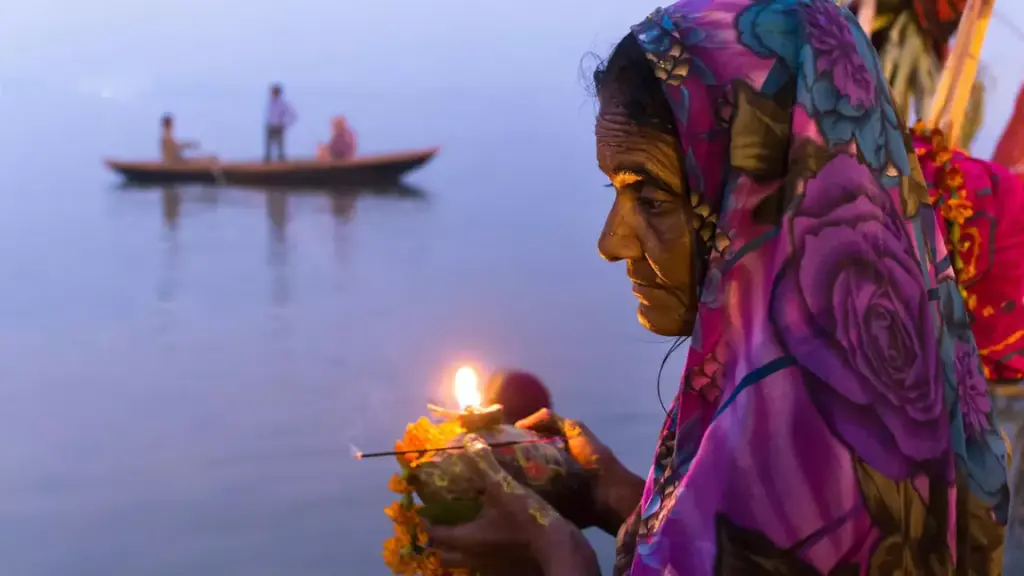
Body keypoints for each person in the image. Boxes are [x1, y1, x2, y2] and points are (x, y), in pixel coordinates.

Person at [424, 1, 1010, 574]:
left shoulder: (808, 455)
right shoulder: (863, 393)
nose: (611, 242)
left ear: (757, 203)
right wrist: (616, 495)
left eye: (650, 199)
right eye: (616, 195)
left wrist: (552, 554)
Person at [265, 83, 297, 163]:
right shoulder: (270, 103)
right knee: (269, 148)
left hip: (278, 126)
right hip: (271, 126)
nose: (274, 94)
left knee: (280, 148)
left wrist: (285, 124)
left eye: (275, 92)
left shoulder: (281, 104)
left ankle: (280, 161)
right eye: (273, 92)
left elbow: (292, 115)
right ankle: (268, 162)